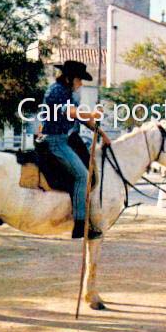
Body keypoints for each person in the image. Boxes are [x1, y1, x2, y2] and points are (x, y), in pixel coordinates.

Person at [42, 60, 111, 239]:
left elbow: (82, 118)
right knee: (82, 175)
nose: (80, 84)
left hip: (65, 139)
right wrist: (93, 114)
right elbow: (72, 113)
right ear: (70, 78)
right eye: (79, 79)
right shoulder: (56, 91)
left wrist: (101, 133)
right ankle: (80, 223)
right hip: (55, 141)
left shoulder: (67, 93)